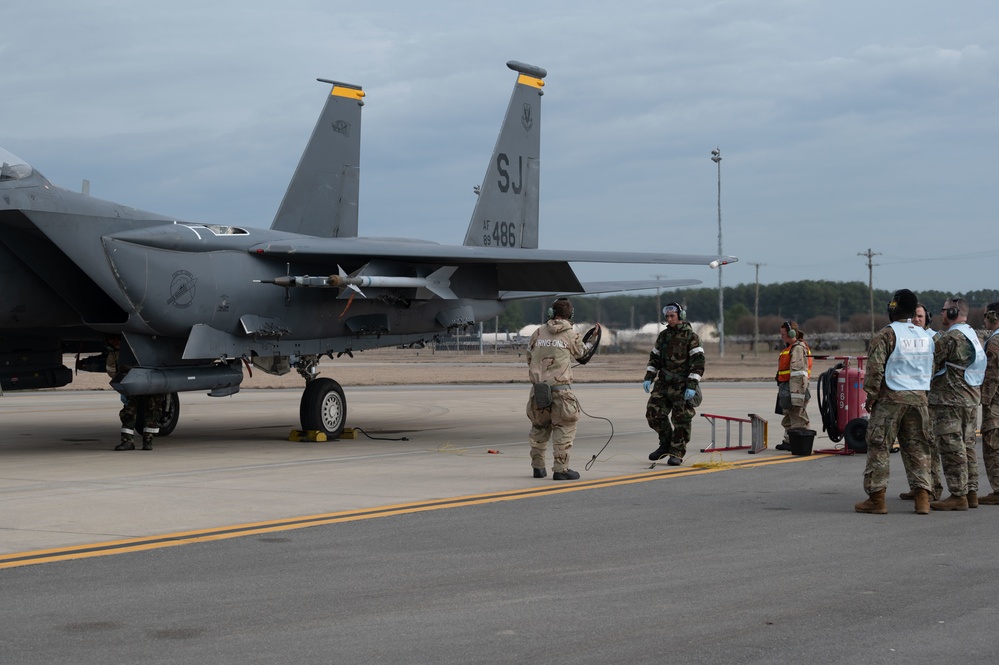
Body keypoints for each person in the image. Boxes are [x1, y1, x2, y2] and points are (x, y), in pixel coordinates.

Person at [855, 289, 935, 515]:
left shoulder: (886, 335)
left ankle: (877, 499)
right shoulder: (924, 336)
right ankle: (922, 499)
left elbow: (874, 370)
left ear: (894, 308)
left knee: (879, 446)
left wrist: (870, 396)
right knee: (918, 448)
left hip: (891, 398)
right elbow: (932, 368)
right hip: (919, 399)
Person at [928, 297, 986, 510]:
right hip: (970, 400)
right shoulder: (974, 335)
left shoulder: (950, 338)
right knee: (967, 446)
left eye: (943, 310)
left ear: (952, 312)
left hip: (949, 401)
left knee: (952, 448)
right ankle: (971, 492)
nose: (941, 314)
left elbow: (931, 363)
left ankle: (957, 495)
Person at [526, 298, 592, 480]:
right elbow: (583, 355)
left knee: (539, 427)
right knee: (564, 427)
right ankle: (560, 469)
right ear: (570, 315)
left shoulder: (537, 332)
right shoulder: (571, 334)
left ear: (551, 313)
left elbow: (529, 358)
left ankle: (538, 467)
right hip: (560, 391)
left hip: (539, 390)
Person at [643, 302, 704, 466]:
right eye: (667, 316)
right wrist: (649, 376)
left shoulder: (691, 337)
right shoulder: (663, 336)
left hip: (682, 385)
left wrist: (691, 385)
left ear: (680, 316)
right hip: (663, 383)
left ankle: (677, 452)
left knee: (681, 420)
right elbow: (654, 357)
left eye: (672, 316)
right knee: (653, 414)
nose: (669, 319)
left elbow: (698, 364)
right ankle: (665, 444)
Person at [106, 334, 166, 451]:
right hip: (132, 384)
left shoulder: (142, 346)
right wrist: (122, 385)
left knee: (153, 412)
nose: (115, 342)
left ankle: (148, 441)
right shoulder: (113, 355)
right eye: (111, 339)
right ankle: (127, 441)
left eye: (117, 339)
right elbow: (111, 371)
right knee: (128, 412)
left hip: (151, 382)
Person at [774, 321, 812, 451]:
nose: (781, 336)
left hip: (795, 388)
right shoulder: (791, 348)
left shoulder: (798, 349)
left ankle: (800, 443)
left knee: (797, 416)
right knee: (789, 416)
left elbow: (798, 374)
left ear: (791, 333)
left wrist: (796, 396)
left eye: (783, 334)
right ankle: (789, 441)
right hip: (787, 388)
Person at [978, 302, 999, 505]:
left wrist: (983, 400)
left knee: (993, 446)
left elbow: (991, 377)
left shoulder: (994, 342)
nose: (984, 320)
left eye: (986, 316)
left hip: (995, 403)